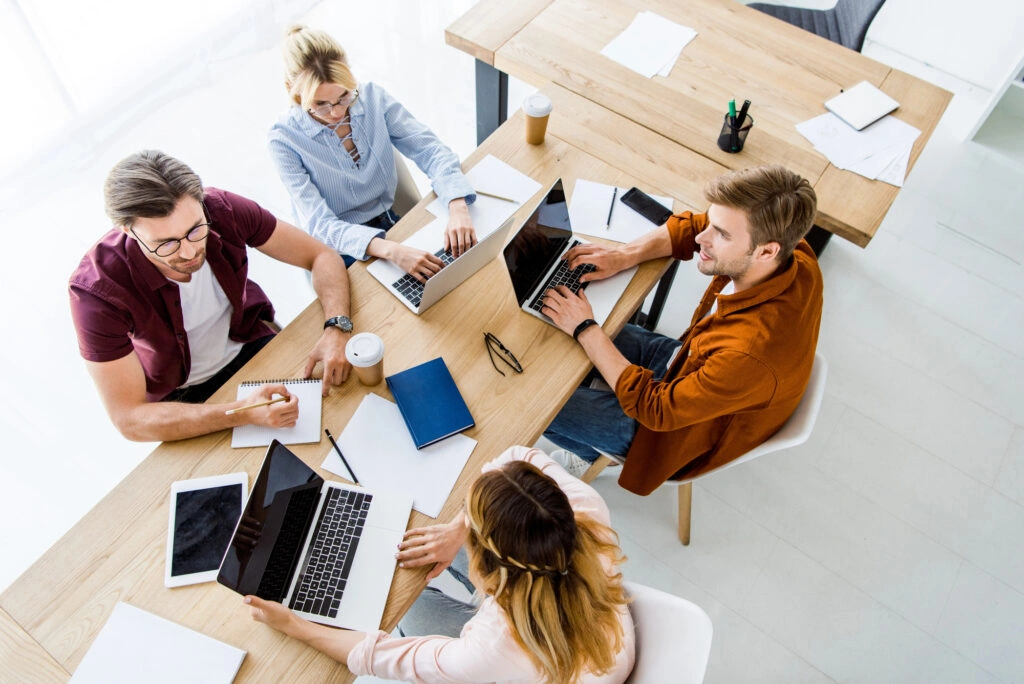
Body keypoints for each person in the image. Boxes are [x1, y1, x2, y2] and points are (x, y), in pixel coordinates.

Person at [540, 165, 823, 495]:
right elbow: (694, 226)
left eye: (721, 234)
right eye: (712, 223)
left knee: (542, 402)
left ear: (766, 251)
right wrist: (621, 256)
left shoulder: (747, 354)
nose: (703, 237)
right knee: (563, 324)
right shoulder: (794, 252)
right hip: (686, 360)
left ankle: (590, 455)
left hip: (667, 433)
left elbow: (657, 410)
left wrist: (587, 330)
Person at [244, 446, 635, 683]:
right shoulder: (585, 510)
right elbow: (516, 457)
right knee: (419, 563)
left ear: (488, 568)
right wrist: (458, 528)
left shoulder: (494, 647)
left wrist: (294, 625)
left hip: (554, 667)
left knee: (410, 610)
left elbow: (378, 657)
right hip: (603, 645)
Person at [69, 150, 354, 443]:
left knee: (342, 416)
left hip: (251, 342)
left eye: (195, 230)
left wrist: (337, 326)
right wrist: (242, 413)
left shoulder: (221, 209)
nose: (190, 252)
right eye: (165, 244)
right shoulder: (96, 291)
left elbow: (321, 255)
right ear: (127, 230)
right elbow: (129, 419)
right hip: (184, 395)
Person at [269, 24, 477, 282]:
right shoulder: (283, 140)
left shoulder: (371, 97)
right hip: (342, 249)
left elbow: (429, 148)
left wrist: (457, 206)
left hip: (392, 224)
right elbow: (321, 225)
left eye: (344, 95)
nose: (336, 112)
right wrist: (391, 251)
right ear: (292, 90)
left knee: (458, 277)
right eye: (319, 104)